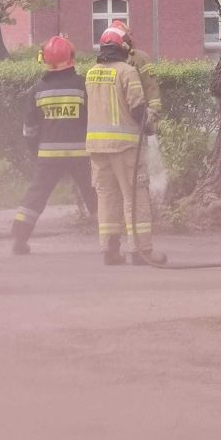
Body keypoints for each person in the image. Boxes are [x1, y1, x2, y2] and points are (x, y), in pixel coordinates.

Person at [85, 26, 166, 266]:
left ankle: (110, 250)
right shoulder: (127, 72)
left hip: (97, 149)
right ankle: (141, 251)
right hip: (125, 148)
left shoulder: (90, 73)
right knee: (135, 196)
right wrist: (150, 127)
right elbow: (137, 108)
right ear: (123, 47)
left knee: (106, 198)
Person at [11, 36, 97, 255]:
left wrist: (36, 151)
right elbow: (94, 118)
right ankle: (110, 242)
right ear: (71, 58)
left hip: (49, 155)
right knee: (94, 193)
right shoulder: (82, 85)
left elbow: (29, 129)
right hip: (81, 153)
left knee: (36, 194)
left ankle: (19, 239)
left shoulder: (38, 89)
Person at [110, 19, 162, 129]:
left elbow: (150, 86)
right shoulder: (108, 60)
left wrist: (154, 115)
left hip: (140, 115)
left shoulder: (140, 58)